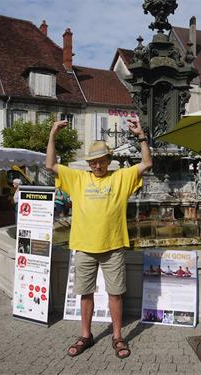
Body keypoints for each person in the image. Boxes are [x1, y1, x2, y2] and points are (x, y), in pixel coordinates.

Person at [46, 118, 152, 359]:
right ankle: (86, 335)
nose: (97, 165)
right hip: (84, 247)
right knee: (85, 293)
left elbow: (147, 162)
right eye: (93, 162)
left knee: (116, 294)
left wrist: (141, 136)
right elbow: (50, 164)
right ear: (89, 163)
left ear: (108, 161)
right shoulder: (78, 179)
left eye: (101, 161)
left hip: (113, 246)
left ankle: (117, 336)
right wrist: (53, 134)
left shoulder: (120, 177)